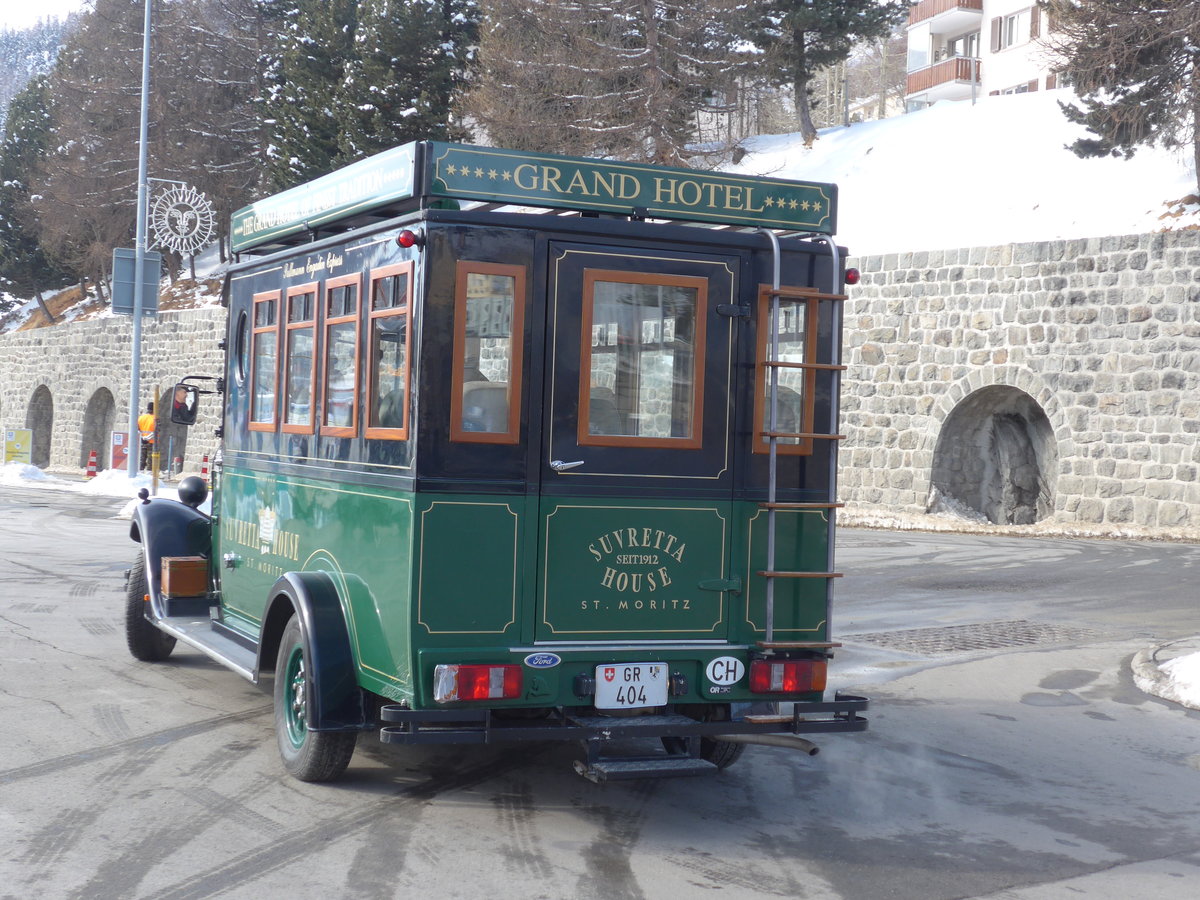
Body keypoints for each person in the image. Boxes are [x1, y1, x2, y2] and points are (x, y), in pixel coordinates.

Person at [137, 401, 156, 470]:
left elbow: (137, 430)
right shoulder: (155, 419)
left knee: (141, 459)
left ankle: (140, 472)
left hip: (142, 442)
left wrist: (143, 438)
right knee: (150, 461)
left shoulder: (141, 418)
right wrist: (147, 438)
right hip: (152, 442)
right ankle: (148, 475)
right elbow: (156, 431)